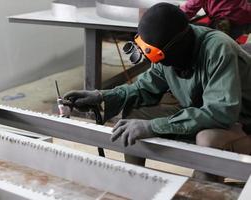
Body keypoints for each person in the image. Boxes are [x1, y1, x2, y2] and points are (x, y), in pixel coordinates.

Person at [64, 3, 251, 182]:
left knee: (208, 139)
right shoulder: (170, 49)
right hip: (206, 113)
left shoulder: (218, 49)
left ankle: (205, 190)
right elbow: (143, 88)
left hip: (242, 122)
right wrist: (102, 96)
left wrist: (153, 127)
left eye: (159, 58)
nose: (158, 64)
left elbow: (220, 112)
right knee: (133, 117)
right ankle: (136, 182)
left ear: (175, 49)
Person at [180, 0, 251, 39]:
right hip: (244, 17)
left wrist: (176, 18)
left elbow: (190, 7)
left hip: (228, 22)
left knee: (214, 46)